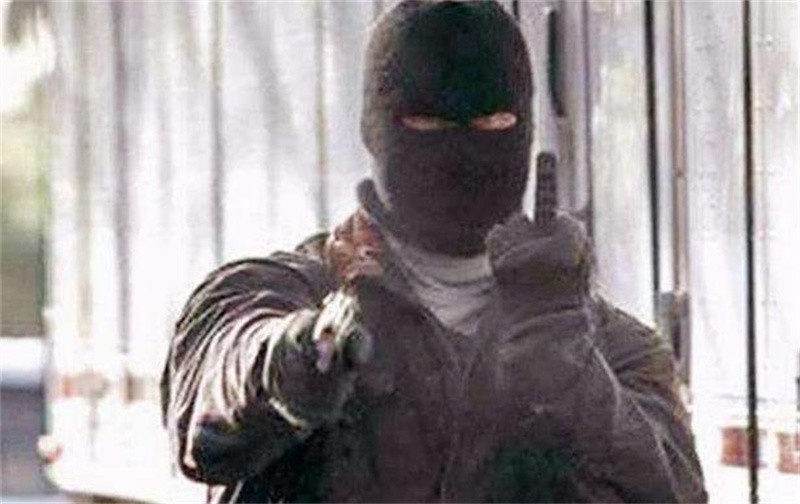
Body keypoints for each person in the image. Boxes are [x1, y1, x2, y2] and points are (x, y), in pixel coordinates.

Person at [160, 1, 707, 502]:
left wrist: (561, 358)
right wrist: (294, 362)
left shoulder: (610, 347)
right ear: (375, 130)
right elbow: (213, 399)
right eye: (426, 124)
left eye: (494, 124)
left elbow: (667, 492)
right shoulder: (278, 291)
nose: (464, 154)